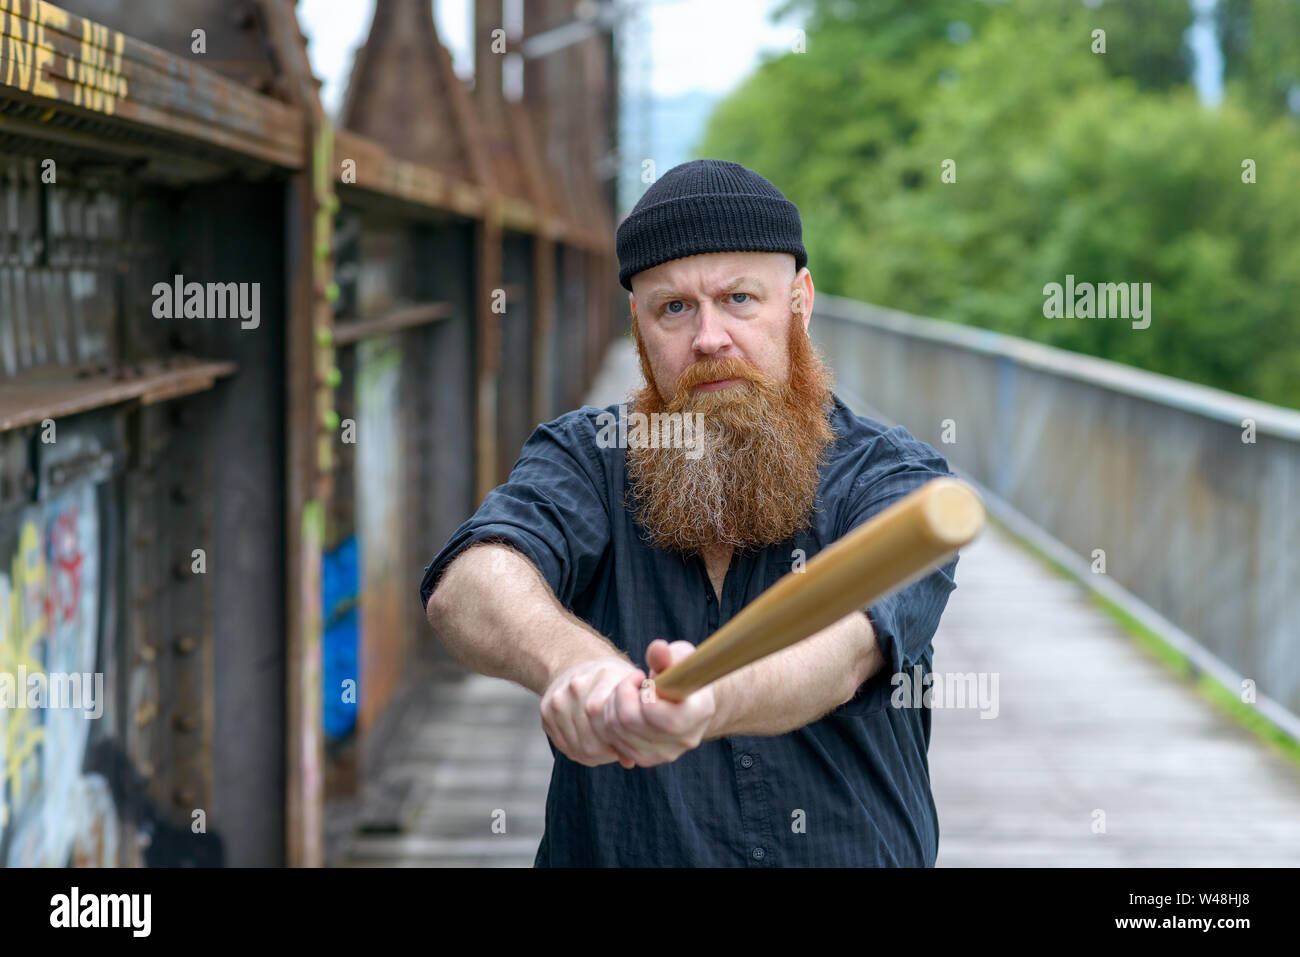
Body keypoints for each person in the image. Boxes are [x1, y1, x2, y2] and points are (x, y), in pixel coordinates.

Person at [419, 158, 959, 866]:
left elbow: (847, 650)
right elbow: (472, 579)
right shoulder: (589, 457)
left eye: (740, 299)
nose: (708, 338)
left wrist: (705, 702)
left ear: (800, 301)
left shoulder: (891, 478)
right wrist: (581, 668)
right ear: (637, 325)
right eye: (674, 307)